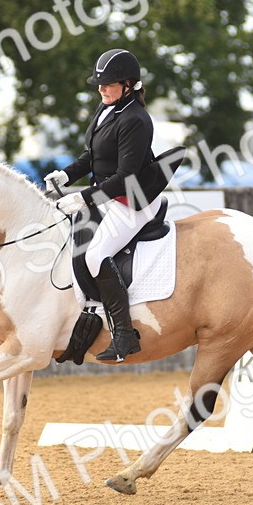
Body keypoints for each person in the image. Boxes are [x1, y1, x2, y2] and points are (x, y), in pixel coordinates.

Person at [44, 48, 168, 363]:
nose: (101, 89)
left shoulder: (136, 120)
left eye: (108, 84)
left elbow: (126, 176)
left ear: (128, 84)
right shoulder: (106, 108)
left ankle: (124, 334)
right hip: (109, 196)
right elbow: (93, 157)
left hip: (133, 201)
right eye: (100, 84)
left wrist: (85, 197)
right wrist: (67, 175)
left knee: (98, 254)